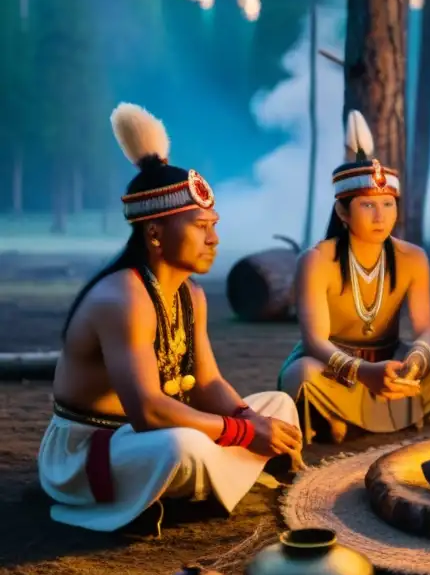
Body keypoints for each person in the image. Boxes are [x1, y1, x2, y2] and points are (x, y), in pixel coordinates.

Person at [38, 104, 304, 533]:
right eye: (200, 225)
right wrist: (242, 434)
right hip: (93, 451)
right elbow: (147, 412)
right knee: (185, 445)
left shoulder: (190, 295)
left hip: (152, 437)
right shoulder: (123, 296)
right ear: (155, 233)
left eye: (213, 224)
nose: (214, 238)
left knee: (279, 407)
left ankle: (197, 486)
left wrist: (249, 419)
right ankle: (210, 483)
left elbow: (207, 382)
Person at [279, 110, 430, 442]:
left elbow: (426, 329)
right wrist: (363, 372)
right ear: (343, 212)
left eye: (388, 204)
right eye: (368, 206)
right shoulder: (316, 260)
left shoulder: (412, 257)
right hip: (335, 370)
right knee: (302, 376)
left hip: (392, 361)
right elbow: (315, 342)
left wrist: (416, 358)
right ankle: (344, 415)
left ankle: (353, 419)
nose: (380, 217)